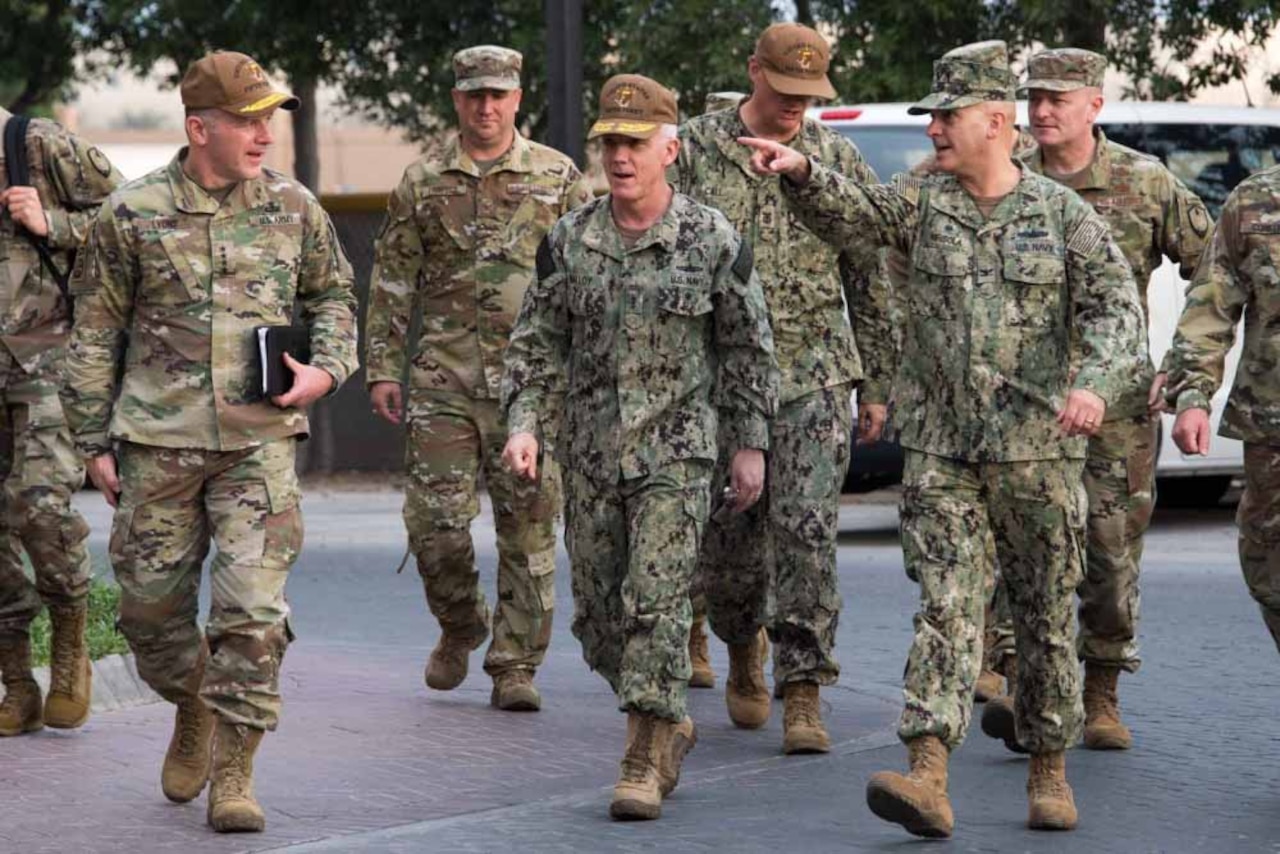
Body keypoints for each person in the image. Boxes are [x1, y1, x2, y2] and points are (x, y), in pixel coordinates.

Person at [739, 40, 1146, 835]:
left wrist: (1094, 385)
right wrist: (800, 173)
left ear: (996, 121)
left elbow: (1117, 315)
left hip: (1039, 457)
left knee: (1040, 619)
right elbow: (855, 217)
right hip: (943, 457)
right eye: (930, 117)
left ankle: (1050, 771)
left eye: (946, 116)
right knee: (947, 611)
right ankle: (928, 772)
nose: (933, 131)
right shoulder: (923, 206)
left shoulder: (1065, 218)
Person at [61, 51, 358, 833]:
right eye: (247, 121)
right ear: (200, 128)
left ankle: (234, 771)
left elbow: (335, 297)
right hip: (156, 447)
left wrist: (326, 370)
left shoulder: (295, 209)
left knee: (251, 611)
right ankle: (192, 701)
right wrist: (91, 440)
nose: (264, 135)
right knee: (149, 620)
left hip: (258, 447)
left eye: (270, 120)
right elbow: (93, 330)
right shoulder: (129, 214)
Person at [500, 74, 778, 820]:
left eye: (635, 143)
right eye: (610, 143)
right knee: (599, 620)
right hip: (590, 455)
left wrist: (750, 445)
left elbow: (749, 349)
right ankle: (667, 719)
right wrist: (524, 424)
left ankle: (641, 757)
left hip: (677, 455)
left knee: (655, 604)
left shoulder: (711, 239)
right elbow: (536, 346)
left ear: (670, 149)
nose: (620, 157)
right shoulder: (570, 240)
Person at [979, 47, 1211, 752]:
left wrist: (1185, 374)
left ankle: (1101, 689)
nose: (1043, 111)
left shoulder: (1143, 182)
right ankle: (1019, 681)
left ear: (1094, 106)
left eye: (1058, 99)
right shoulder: (1000, 176)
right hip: (1021, 404)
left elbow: (1214, 272)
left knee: (1109, 562)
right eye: (1035, 99)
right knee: (1017, 549)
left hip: (1113, 407)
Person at [673, 21, 892, 749]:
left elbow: (867, 260)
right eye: (785, 87)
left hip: (814, 372)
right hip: (718, 383)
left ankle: (804, 689)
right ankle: (740, 644)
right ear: (752, 72)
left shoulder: (832, 156)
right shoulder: (694, 148)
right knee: (730, 547)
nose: (797, 104)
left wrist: (878, 380)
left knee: (807, 535)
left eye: (811, 93)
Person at [365, 45, 592, 712]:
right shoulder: (423, 180)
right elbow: (392, 277)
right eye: (474, 95)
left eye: (498, 94)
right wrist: (382, 365)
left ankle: (515, 663)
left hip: (533, 384)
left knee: (528, 528)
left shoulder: (559, 177)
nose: (486, 106)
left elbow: (590, 278)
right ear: (457, 99)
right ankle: (462, 623)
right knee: (435, 524)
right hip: (443, 380)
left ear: (518, 98)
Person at [0, 107, 120, 736]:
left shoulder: (35, 143)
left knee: (40, 509)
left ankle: (71, 634)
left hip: (47, 363)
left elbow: (136, 220)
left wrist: (55, 222)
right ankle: (17, 683)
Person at [1157, 161, 1280, 658]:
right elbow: (1211, 305)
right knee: (1267, 565)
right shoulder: (1255, 201)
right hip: (1272, 425)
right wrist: (1192, 396)